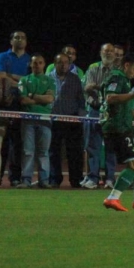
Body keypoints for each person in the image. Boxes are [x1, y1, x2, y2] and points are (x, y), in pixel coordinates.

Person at [101, 54, 134, 212]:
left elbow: (127, 108)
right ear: (126, 65)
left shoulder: (125, 81)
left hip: (126, 128)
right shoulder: (117, 78)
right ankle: (113, 197)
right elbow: (110, 98)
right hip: (117, 128)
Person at [0, 31, 31, 186]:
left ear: (26, 41)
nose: (19, 40)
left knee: (17, 142)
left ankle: (15, 177)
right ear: (11, 41)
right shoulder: (2, 57)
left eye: (22, 37)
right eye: (16, 37)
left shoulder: (29, 59)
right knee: (0, 142)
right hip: (3, 103)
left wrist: (12, 77)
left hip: (21, 103)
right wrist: (23, 82)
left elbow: (31, 80)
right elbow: (2, 76)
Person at [81, 43, 118, 189]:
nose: (108, 53)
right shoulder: (92, 69)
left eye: (111, 51)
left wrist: (97, 86)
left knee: (111, 146)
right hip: (94, 109)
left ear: (114, 54)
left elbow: (115, 91)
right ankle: (93, 178)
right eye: (105, 51)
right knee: (93, 146)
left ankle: (110, 178)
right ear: (100, 53)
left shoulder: (118, 72)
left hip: (112, 111)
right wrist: (102, 91)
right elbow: (87, 88)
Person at [17, 54, 56, 187]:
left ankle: (44, 181)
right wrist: (41, 99)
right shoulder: (24, 80)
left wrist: (32, 96)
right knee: (28, 151)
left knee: (43, 152)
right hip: (28, 120)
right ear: (30, 64)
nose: (37, 65)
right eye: (35, 63)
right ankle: (26, 180)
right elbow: (23, 100)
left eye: (40, 63)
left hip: (45, 120)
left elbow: (50, 99)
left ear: (44, 64)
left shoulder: (50, 80)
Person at [48, 53, 86, 188]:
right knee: (54, 151)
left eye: (66, 63)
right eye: (60, 62)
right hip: (53, 120)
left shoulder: (75, 79)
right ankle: (54, 179)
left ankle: (76, 180)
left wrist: (80, 117)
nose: (64, 65)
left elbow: (81, 100)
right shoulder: (48, 78)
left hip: (72, 119)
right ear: (54, 64)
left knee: (75, 151)